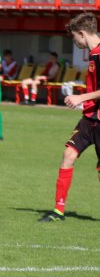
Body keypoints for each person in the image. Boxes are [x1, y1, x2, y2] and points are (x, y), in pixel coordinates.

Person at [39, 13, 100, 222]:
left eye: (74, 37)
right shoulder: (93, 54)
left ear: (82, 34)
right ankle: (58, 210)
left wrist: (80, 97)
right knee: (68, 154)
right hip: (89, 117)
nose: (74, 42)